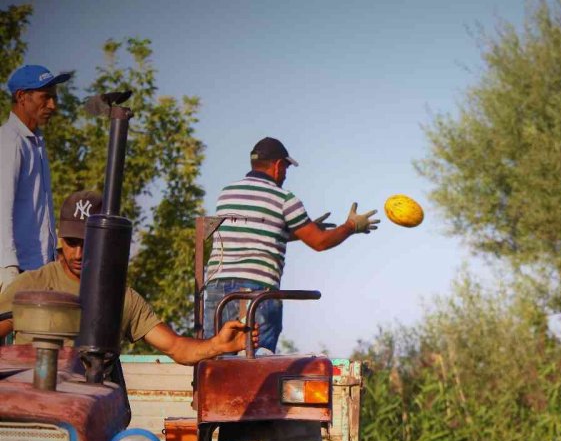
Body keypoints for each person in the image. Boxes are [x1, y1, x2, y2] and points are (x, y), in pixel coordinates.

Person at [0, 191, 254, 364]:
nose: (78, 253)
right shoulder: (30, 286)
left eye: (87, 243)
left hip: (91, 409)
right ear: (60, 239)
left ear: (104, 242)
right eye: (71, 242)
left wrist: (218, 345)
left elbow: (176, 347)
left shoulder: (122, 297)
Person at [203, 137, 380, 353]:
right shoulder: (284, 198)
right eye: (286, 168)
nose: (286, 174)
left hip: (216, 290)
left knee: (214, 362)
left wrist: (300, 229)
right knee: (257, 365)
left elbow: (260, 232)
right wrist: (351, 226)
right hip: (257, 292)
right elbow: (320, 242)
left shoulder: (227, 194)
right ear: (278, 165)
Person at [0, 65, 73, 291]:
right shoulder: (9, 141)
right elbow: (1, 206)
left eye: (54, 98)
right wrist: (7, 267)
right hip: (15, 270)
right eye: (46, 97)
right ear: (22, 97)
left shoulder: (36, 143)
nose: (53, 105)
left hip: (37, 270)